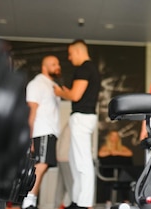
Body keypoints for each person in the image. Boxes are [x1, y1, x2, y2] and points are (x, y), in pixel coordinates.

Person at [54, 40, 102, 209]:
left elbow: (75, 95)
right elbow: (76, 94)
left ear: (78, 51)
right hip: (82, 117)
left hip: (82, 118)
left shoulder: (84, 69)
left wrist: (59, 92)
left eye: (70, 53)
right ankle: (76, 201)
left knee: (83, 162)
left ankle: (84, 203)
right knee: (75, 162)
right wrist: (64, 91)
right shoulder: (90, 69)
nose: (69, 57)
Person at [23, 55, 62, 209]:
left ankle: (31, 199)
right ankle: (28, 201)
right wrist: (29, 136)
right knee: (41, 165)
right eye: (54, 64)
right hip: (41, 131)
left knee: (42, 167)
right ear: (44, 66)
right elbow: (31, 110)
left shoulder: (53, 85)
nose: (57, 66)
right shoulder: (37, 84)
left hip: (50, 132)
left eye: (58, 63)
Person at [97, 130, 134, 205]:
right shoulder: (104, 147)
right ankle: (108, 202)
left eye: (116, 136)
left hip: (121, 172)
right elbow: (101, 154)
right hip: (108, 172)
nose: (114, 138)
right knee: (108, 183)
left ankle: (126, 201)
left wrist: (116, 152)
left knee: (125, 181)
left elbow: (130, 153)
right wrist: (111, 152)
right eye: (113, 136)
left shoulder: (122, 148)